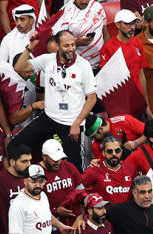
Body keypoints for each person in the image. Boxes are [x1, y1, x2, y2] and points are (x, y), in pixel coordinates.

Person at [13, 31, 96, 171]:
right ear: (57, 46)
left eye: (73, 45)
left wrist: (77, 123)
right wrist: (30, 48)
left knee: (77, 168)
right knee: (15, 145)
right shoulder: (47, 60)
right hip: (49, 118)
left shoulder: (83, 65)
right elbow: (19, 68)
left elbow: (92, 98)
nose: (71, 49)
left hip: (72, 123)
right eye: (67, 45)